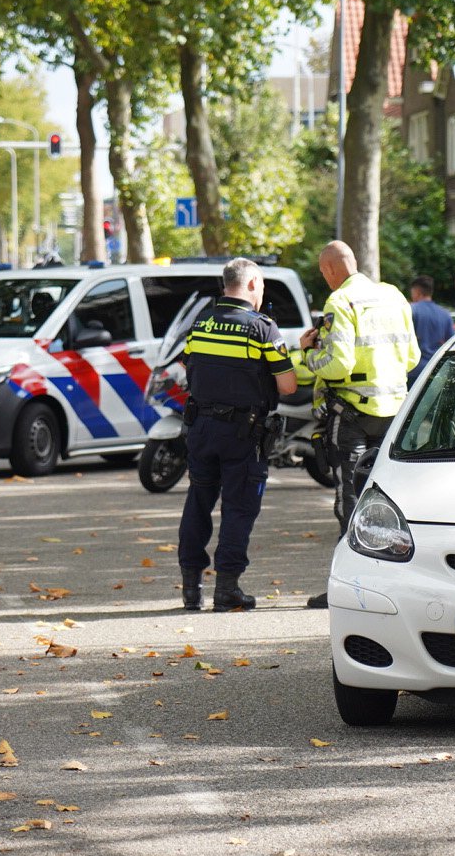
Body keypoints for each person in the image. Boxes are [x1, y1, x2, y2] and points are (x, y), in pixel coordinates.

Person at [301, 242, 419, 609]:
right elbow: (412, 357)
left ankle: (349, 588)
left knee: (350, 500)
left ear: (330, 270)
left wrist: (310, 355)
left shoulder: (340, 302)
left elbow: (338, 365)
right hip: (394, 415)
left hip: (352, 414)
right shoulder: (394, 296)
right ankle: (393, 588)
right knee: (391, 498)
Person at [177, 258, 297, 612]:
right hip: (243, 433)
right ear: (252, 284)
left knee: (198, 501)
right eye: (262, 286)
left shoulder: (201, 323)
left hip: (201, 427)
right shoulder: (262, 328)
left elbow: (187, 363)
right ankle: (226, 589)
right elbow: (288, 386)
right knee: (239, 508)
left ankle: (191, 589)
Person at [407, 274, 454, 388]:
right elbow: (451, 343)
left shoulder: (411, 310)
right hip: (437, 369)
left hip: (415, 371)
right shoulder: (445, 314)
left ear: (417, 292)